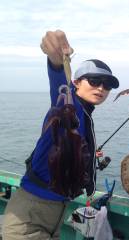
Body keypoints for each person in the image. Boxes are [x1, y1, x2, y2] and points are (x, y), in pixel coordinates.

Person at [2, 30, 119, 240]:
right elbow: (59, 85)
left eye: (107, 85)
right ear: (76, 83)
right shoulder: (66, 103)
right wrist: (56, 60)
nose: (101, 88)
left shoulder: (85, 114)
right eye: (94, 80)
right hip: (29, 216)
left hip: (56, 214)